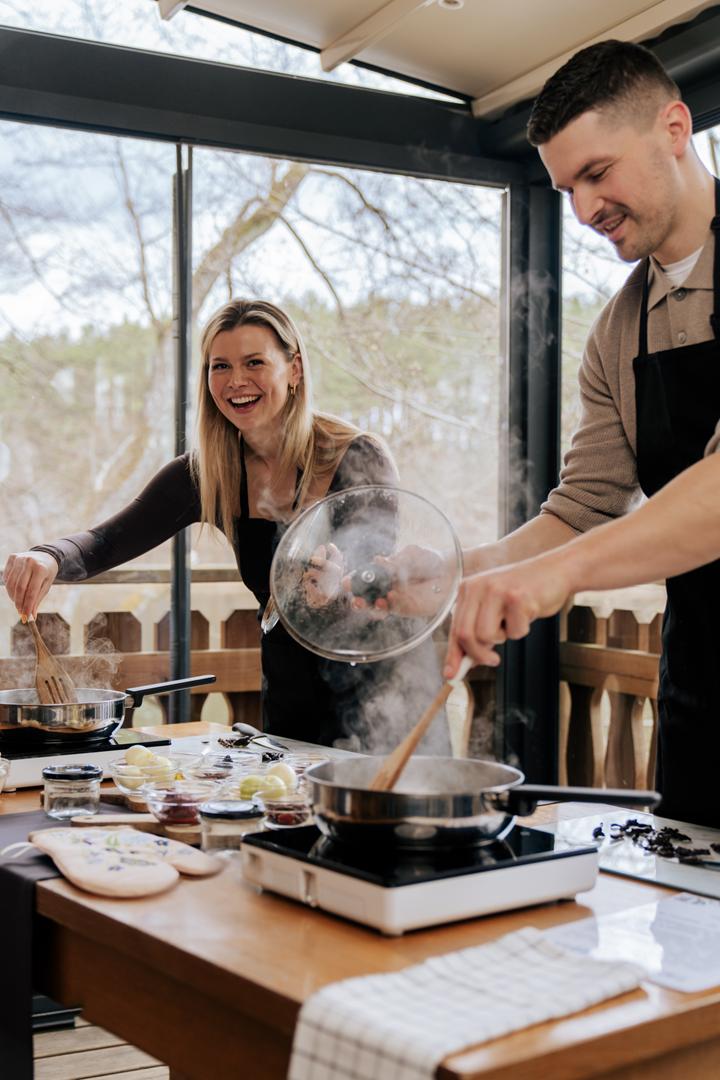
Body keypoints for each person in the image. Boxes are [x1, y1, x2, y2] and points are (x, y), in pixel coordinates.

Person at [439, 39, 720, 826]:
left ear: (674, 129)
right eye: (568, 188)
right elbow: (582, 508)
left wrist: (553, 578)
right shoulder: (618, 331)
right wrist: (453, 575)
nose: (585, 210)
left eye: (597, 173)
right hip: (702, 693)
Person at [3, 299, 448, 752]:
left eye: (254, 362)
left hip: (382, 693)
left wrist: (340, 590)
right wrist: (48, 557)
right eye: (221, 366)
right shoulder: (208, 473)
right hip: (291, 693)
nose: (236, 381)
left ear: (294, 369)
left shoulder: (357, 457)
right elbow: (106, 541)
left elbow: (376, 581)